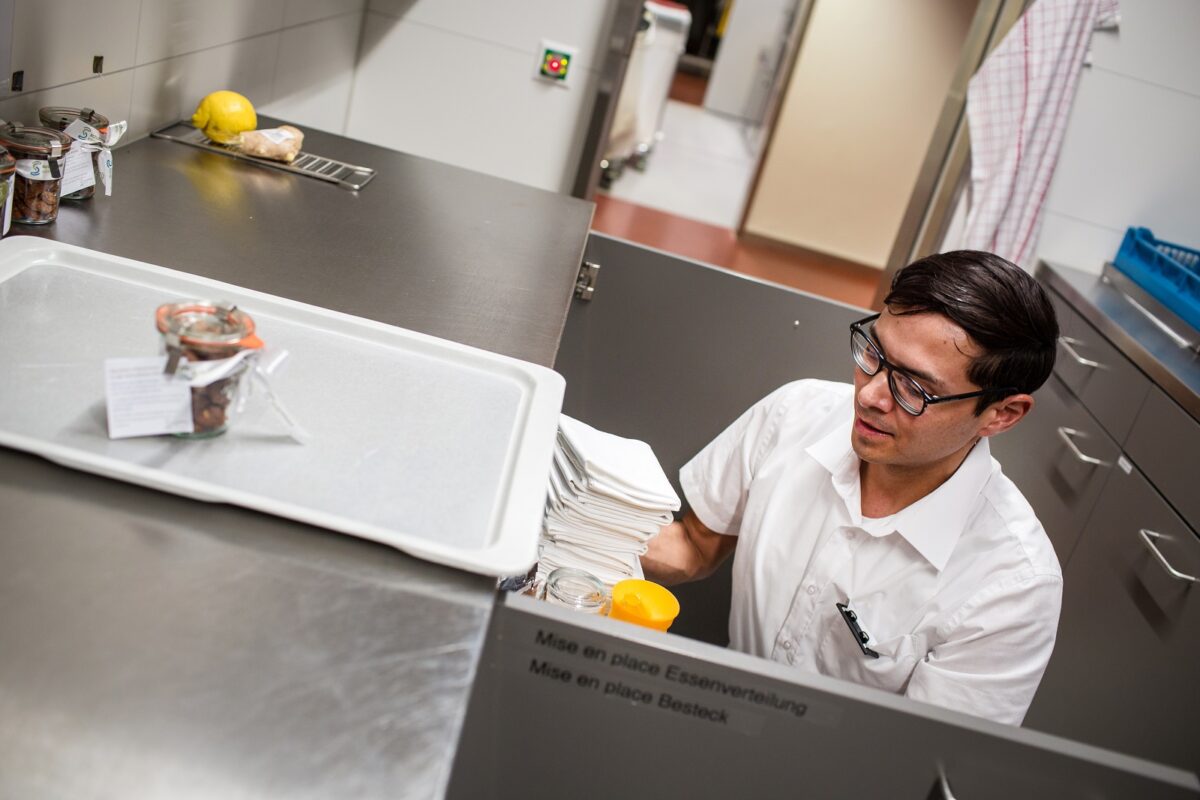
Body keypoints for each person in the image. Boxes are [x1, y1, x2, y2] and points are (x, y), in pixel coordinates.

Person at [642, 250, 1062, 726]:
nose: (869, 395)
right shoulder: (797, 413)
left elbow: (914, 760)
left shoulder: (1013, 586)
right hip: (713, 718)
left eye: (914, 388)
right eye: (873, 353)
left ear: (1001, 414)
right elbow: (695, 545)